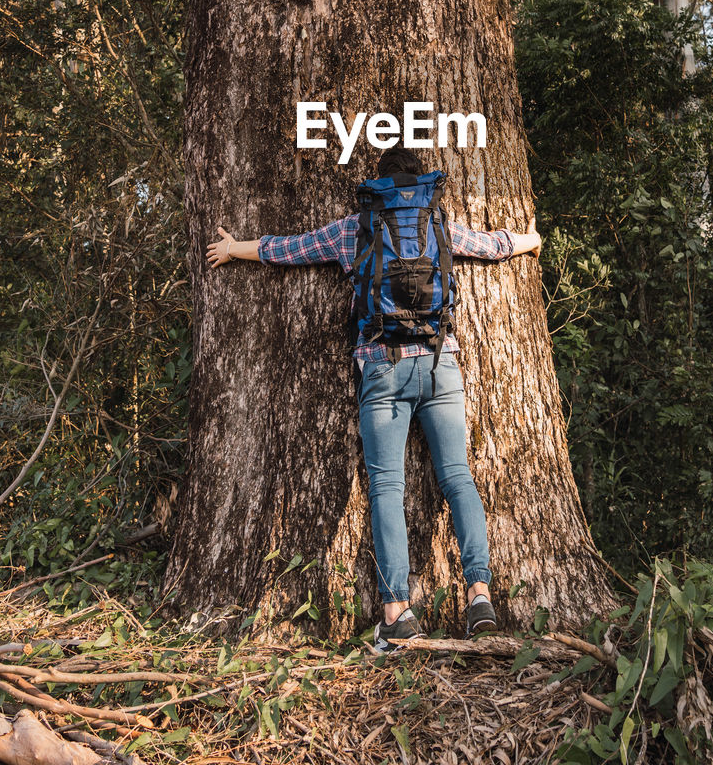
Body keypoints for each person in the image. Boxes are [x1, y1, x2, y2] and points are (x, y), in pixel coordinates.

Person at [206, 144, 541, 652]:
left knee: (388, 488)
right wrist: (530, 238)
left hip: (382, 366)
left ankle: (397, 613)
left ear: (380, 184)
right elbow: (492, 245)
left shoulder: (355, 228)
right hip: (439, 361)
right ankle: (479, 596)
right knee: (457, 477)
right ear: (418, 184)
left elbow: (291, 249)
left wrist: (235, 249)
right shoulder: (438, 224)